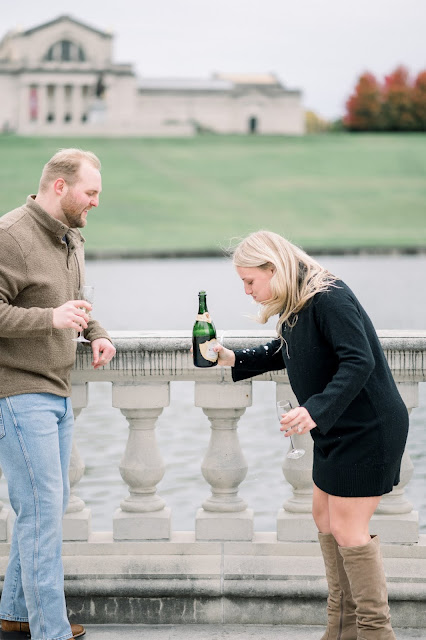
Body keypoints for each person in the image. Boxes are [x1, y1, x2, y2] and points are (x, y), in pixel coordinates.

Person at [215, 230, 409, 640]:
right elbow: (285, 349)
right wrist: (232, 356)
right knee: (323, 518)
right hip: (338, 428)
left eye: (250, 281)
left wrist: (314, 410)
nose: (247, 291)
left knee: (348, 528)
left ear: (273, 267)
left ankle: (376, 633)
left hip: (368, 427)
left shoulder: (328, 295)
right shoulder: (298, 300)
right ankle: (342, 629)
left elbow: (359, 362)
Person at [0, 149, 116, 640]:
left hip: (58, 391)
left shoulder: (70, 237)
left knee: (46, 505)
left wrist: (97, 330)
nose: (95, 203)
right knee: (44, 511)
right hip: (19, 391)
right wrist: (49, 320)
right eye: (91, 193)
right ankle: (49, 631)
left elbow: (72, 300)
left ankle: (15, 615)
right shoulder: (10, 236)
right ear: (61, 187)